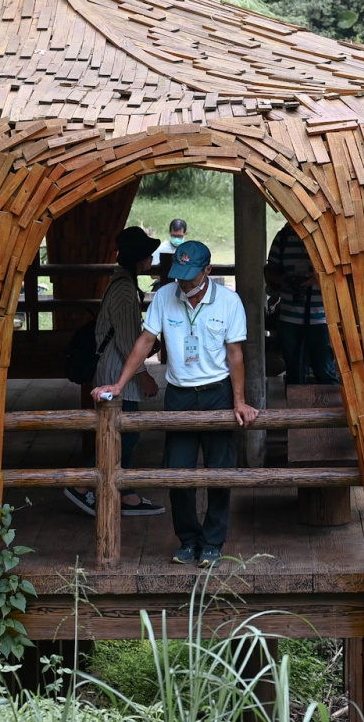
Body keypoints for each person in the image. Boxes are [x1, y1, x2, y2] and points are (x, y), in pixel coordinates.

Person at [93, 240, 258, 567]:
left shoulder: (229, 302)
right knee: (176, 472)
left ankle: (212, 541)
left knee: (219, 472)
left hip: (217, 392)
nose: (183, 283)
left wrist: (240, 401)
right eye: (179, 275)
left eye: (190, 277)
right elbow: (145, 340)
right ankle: (188, 540)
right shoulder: (166, 296)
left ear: (208, 271)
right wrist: (120, 383)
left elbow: (236, 354)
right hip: (180, 395)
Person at [65, 227, 165, 517]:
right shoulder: (123, 289)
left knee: (122, 432)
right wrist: (142, 373)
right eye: (147, 254)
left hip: (116, 365)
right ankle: (83, 486)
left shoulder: (122, 282)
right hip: (117, 368)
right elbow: (125, 340)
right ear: (138, 258)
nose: (151, 259)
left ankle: (125, 492)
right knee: (124, 433)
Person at [264, 225, 340, 385]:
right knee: (294, 371)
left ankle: (330, 406)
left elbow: (341, 272)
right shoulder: (283, 237)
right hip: (289, 316)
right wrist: (285, 279)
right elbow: (270, 270)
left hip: (322, 317)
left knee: (325, 370)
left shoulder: (328, 236)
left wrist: (318, 279)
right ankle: (297, 407)